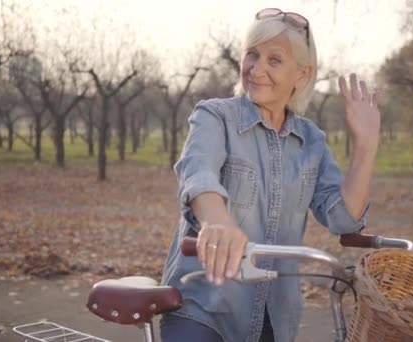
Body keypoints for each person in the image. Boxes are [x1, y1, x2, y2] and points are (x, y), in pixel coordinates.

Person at [160, 7, 380, 342]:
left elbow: (343, 219)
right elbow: (198, 174)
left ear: (302, 75)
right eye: (252, 55)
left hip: (275, 318)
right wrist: (216, 220)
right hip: (203, 305)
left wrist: (365, 146)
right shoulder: (215, 117)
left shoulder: (313, 143)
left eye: (274, 60)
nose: (256, 69)